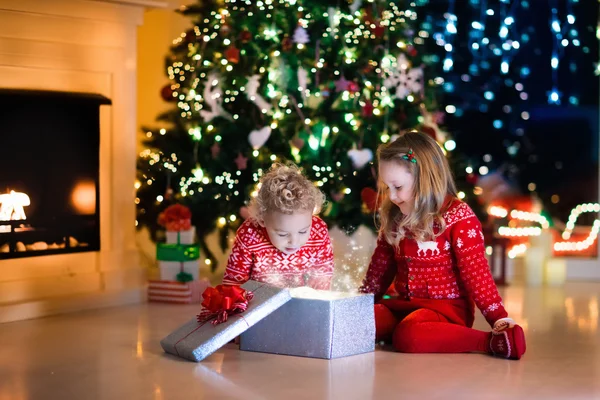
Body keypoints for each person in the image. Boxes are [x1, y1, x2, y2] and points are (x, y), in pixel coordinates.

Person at [359, 131, 526, 360]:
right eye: (388, 188)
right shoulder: (396, 216)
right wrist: (359, 305)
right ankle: (405, 332)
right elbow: (379, 269)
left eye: (398, 187)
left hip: (444, 310)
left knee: (410, 336)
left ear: (425, 180)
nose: (393, 197)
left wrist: (498, 317)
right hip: (403, 306)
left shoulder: (458, 218)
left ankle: (489, 342)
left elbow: (476, 274)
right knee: (357, 323)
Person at [223, 163, 334, 289]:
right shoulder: (249, 234)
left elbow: (323, 278)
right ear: (262, 220)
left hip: (302, 301)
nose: (294, 241)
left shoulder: (318, 230)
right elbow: (233, 284)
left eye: (303, 231)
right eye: (283, 234)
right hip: (259, 302)